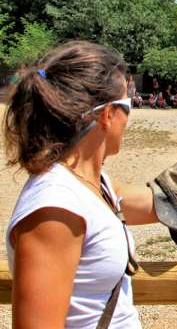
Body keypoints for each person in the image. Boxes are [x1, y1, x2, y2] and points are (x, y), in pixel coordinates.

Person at [4, 41, 162, 328]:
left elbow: (165, 203)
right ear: (107, 115)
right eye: (127, 106)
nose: (129, 118)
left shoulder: (93, 185)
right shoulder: (54, 209)